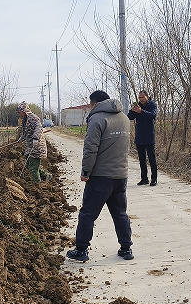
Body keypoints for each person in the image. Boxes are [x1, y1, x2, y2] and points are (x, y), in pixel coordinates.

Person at [66, 90, 133, 262]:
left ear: (95, 104)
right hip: (121, 175)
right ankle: (126, 248)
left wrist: (85, 171)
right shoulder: (124, 118)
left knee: (88, 213)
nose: (90, 107)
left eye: (90, 105)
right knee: (120, 213)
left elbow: (90, 148)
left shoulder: (97, 119)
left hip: (101, 176)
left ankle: (81, 250)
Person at [127, 90, 158, 186]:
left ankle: (154, 179)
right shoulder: (138, 106)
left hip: (149, 136)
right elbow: (130, 117)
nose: (141, 99)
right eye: (139, 97)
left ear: (147, 97)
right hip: (139, 136)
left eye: (142, 97)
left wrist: (141, 111)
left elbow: (152, 115)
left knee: (152, 158)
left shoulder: (152, 105)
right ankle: (144, 179)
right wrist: (132, 110)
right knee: (141, 159)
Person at [16, 102, 49, 182]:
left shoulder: (34, 118)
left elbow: (39, 128)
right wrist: (22, 137)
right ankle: (45, 176)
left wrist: (35, 138)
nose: (19, 114)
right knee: (28, 165)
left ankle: (38, 185)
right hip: (29, 146)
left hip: (37, 147)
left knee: (33, 168)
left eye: (20, 112)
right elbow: (26, 131)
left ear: (24, 111)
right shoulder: (25, 119)